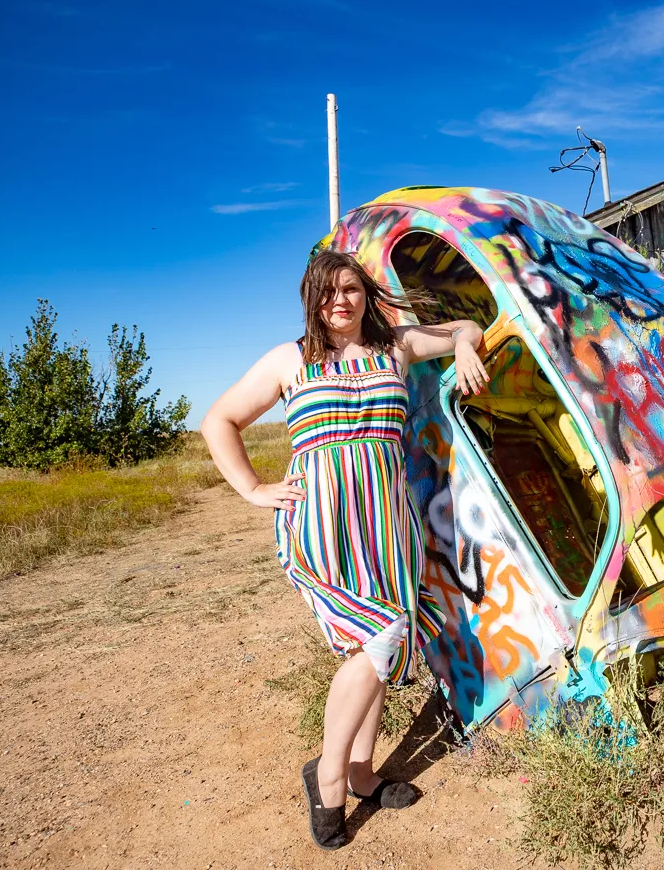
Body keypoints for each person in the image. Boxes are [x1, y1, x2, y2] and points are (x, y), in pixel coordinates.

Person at [202, 250, 488, 850]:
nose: (341, 300)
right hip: (321, 531)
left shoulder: (396, 349)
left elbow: (467, 326)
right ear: (312, 297)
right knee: (379, 638)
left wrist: (464, 347)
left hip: (388, 531)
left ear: (366, 294)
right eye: (328, 291)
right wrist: (253, 489)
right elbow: (219, 420)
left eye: (352, 289)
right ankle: (329, 772)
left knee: (380, 651)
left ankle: (363, 772)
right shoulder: (290, 360)